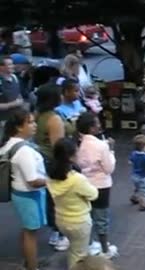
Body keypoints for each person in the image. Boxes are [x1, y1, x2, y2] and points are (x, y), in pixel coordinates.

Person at [0, 109, 47, 270]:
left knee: (28, 229)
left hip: (20, 193)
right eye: (30, 122)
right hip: (29, 195)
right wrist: (51, 181)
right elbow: (33, 180)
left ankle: (30, 261)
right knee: (31, 233)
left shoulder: (9, 144)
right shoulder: (24, 151)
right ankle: (32, 266)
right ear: (19, 127)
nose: (34, 125)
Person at [47, 138, 99, 269]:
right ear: (70, 157)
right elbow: (94, 194)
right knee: (79, 255)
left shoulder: (50, 175)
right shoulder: (77, 179)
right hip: (79, 222)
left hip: (61, 219)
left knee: (74, 249)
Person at [34, 83, 71, 251]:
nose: (62, 95)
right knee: (59, 199)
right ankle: (60, 234)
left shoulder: (38, 115)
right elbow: (59, 146)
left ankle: (56, 232)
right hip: (53, 162)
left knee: (50, 199)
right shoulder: (54, 119)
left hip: (42, 160)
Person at [76, 112, 118, 259]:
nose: (100, 125)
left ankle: (89, 244)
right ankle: (105, 249)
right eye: (97, 123)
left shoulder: (79, 143)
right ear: (91, 128)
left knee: (88, 215)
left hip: (84, 184)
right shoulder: (101, 146)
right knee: (102, 218)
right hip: (101, 185)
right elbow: (109, 168)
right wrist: (111, 150)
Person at [129, 134, 145, 211]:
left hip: (134, 175)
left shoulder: (133, 153)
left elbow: (130, 162)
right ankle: (142, 205)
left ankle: (134, 197)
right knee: (144, 191)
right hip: (143, 176)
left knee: (136, 188)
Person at [0, 56, 24, 130]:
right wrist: (13, 104)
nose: (12, 66)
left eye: (12, 64)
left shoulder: (14, 77)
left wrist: (21, 100)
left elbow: (18, 94)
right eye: (9, 65)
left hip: (16, 118)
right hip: (3, 120)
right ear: (1, 67)